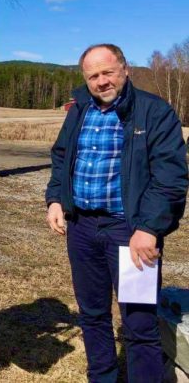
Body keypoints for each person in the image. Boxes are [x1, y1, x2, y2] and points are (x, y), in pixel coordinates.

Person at [45, 43, 188, 382]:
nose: (101, 81)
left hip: (130, 232)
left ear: (125, 69)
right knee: (92, 314)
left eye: (107, 72)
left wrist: (150, 229)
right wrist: (54, 199)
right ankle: (103, 377)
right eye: (93, 76)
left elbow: (171, 178)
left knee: (138, 322)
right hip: (81, 229)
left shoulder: (155, 113)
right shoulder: (79, 111)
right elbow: (62, 156)